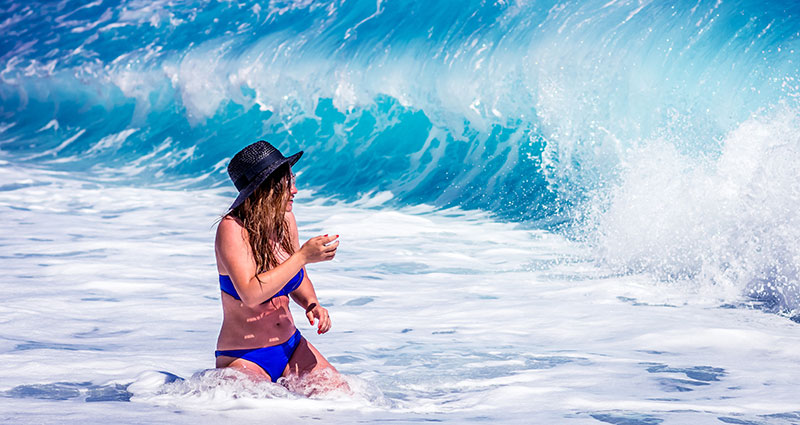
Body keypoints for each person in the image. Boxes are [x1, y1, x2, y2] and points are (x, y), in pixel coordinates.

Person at [214, 140, 343, 387]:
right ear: (266, 187)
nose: (295, 190)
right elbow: (250, 293)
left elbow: (297, 275)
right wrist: (302, 255)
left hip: (290, 347)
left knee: (342, 397)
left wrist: (311, 303)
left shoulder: (285, 221)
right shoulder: (232, 229)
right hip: (245, 356)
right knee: (260, 413)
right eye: (288, 182)